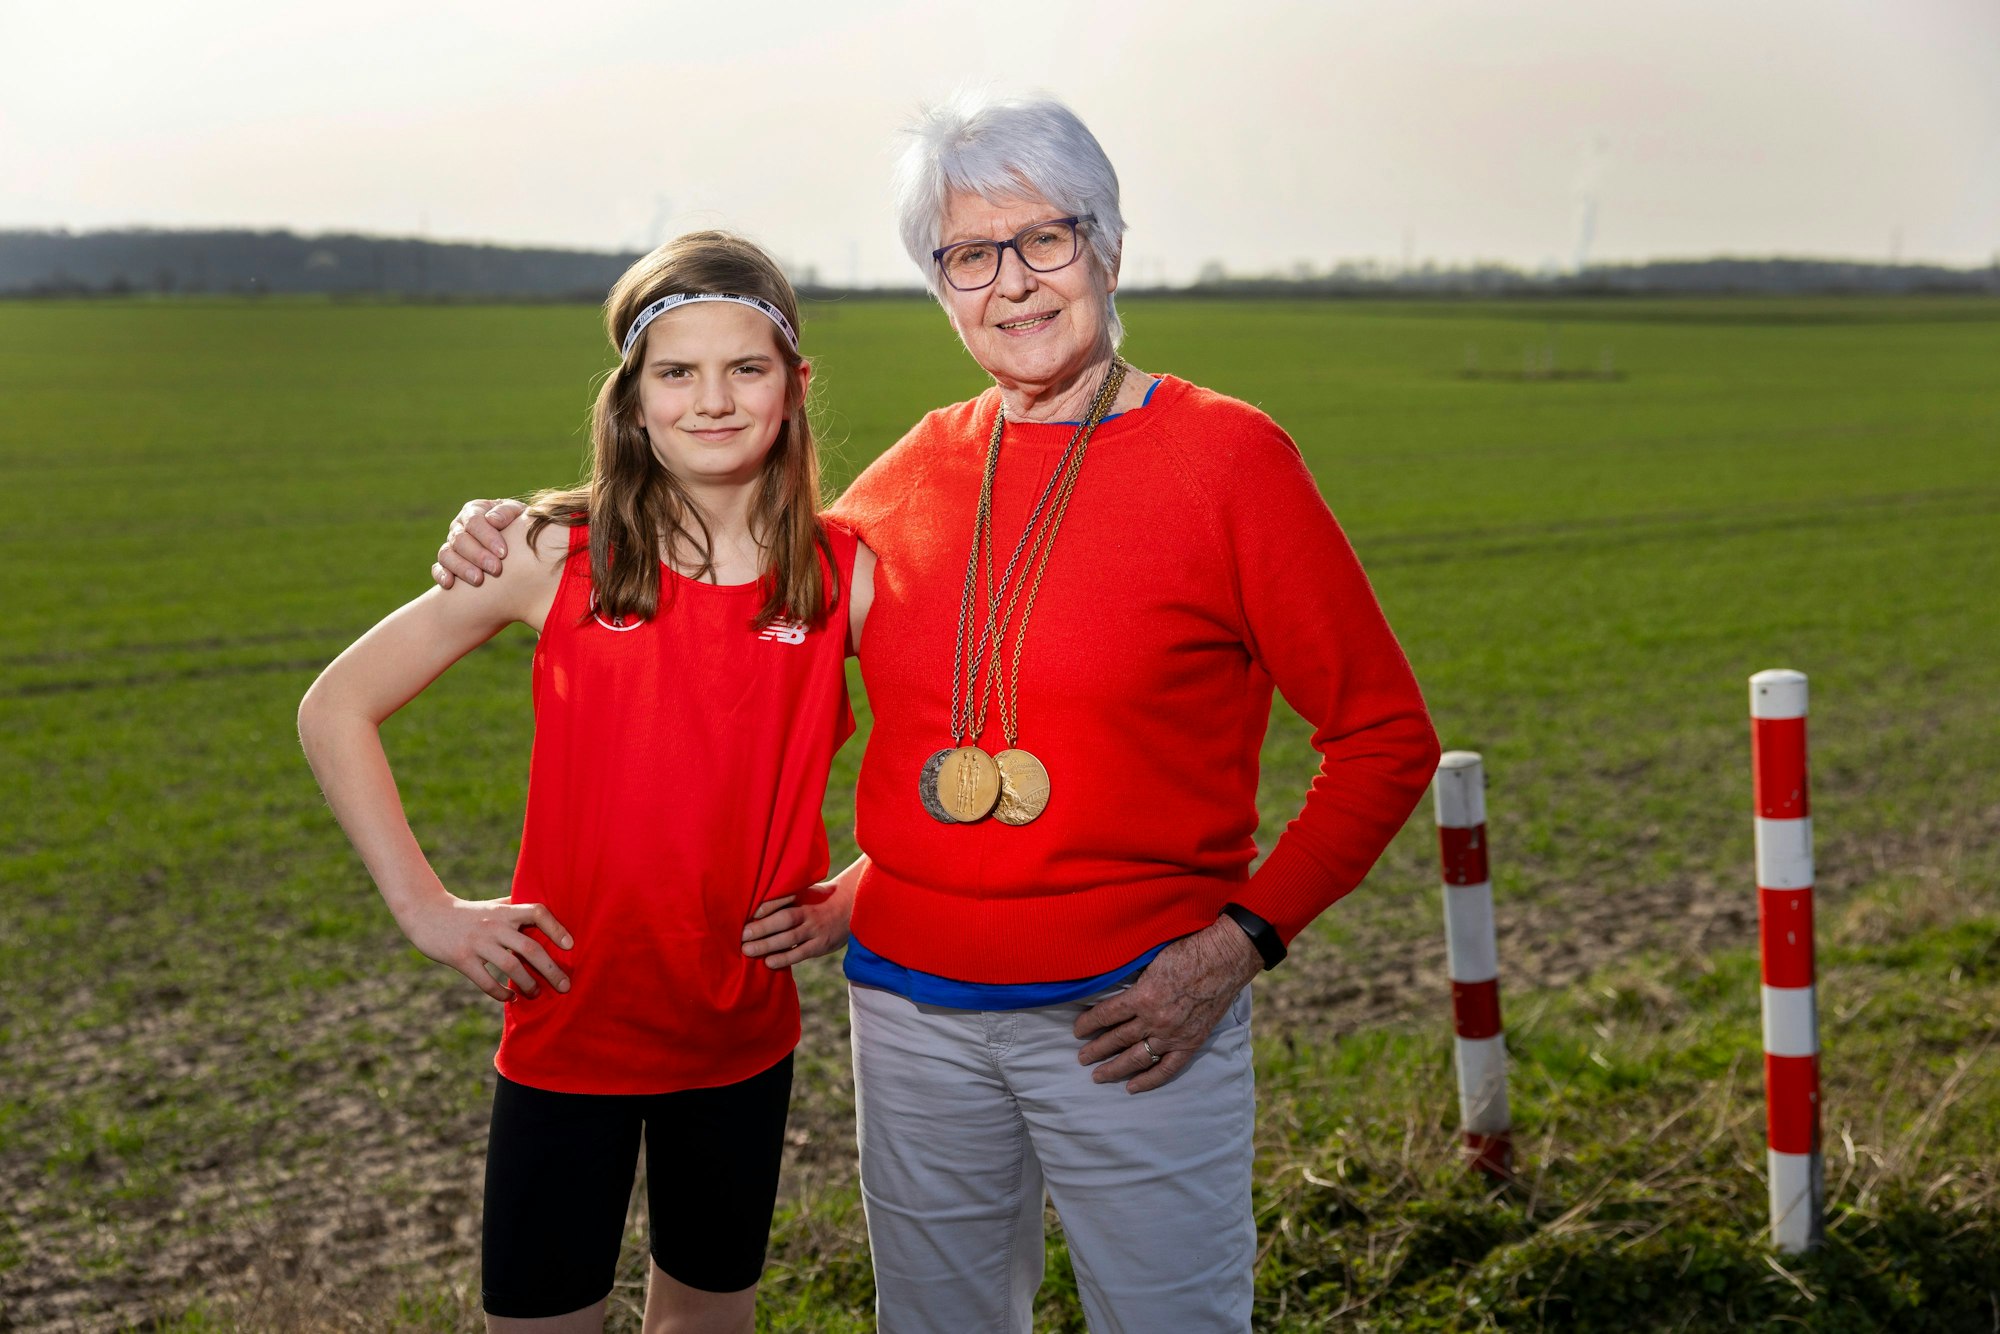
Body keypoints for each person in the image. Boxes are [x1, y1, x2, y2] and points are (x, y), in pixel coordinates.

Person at [435, 94, 1440, 1333]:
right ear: (940, 287)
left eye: (1044, 240)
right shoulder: (912, 470)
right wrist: (530, 525)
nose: (1011, 284)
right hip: (908, 1014)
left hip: (1133, 1015)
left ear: (1108, 247)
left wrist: (1236, 943)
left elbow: (1384, 738)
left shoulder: (1229, 459)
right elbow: (726, 572)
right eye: (969, 254)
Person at [300, 231, 869, 1333]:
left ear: (793, 389)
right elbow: (335, 706)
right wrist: (428, 910)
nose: (711, 399)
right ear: (633, 396)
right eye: (676, 371)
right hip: (569, 1025)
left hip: (738, 1034)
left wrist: (857, 891)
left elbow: (973, 741)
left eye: (744, 368)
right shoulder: (552, 552)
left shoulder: (847, 572)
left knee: (706, 1317)